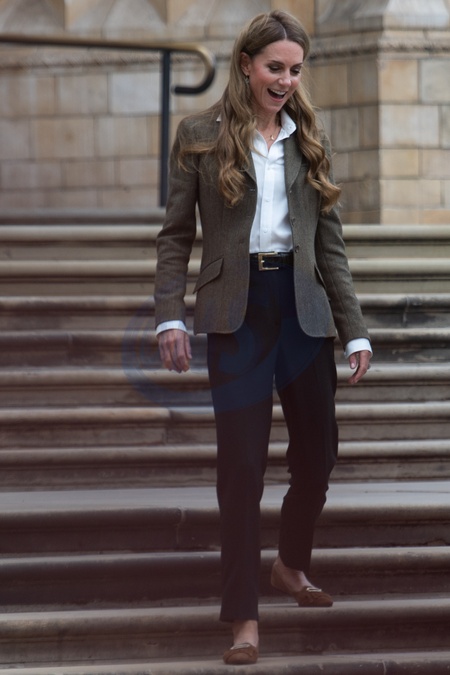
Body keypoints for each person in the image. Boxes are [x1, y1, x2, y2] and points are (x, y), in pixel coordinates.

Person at [154, 9, 372, 666]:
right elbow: (175, 236)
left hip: (304, 312)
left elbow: (330, 244)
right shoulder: (200, 135)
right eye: (275, 67)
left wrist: (354, 329)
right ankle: (243, 617)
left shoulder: (311, 137)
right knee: (242, 468)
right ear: (246, 64)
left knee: (319, 457)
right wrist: (169, 315)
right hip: (237, 314)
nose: (286, 80)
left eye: (295, 70)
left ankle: (290, 563)